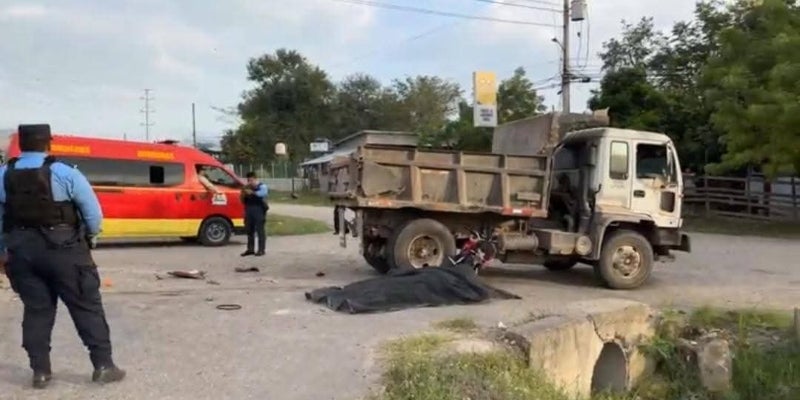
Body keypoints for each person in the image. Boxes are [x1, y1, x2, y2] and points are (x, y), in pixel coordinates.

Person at [0, 124, 125, 389]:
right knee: (86, 307)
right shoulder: (65, 172)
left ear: (21, 144)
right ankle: (103, 366)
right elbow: (93, 215)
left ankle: (40, 372)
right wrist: (91, 237)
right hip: (65, 250)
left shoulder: (3, 175)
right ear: (49, 143)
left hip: (22, 252)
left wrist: (3, 251)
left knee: (36, 311)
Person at [239, 171, 268, 257]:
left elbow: (263, 193)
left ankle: (261, 250)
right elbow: (242, 199)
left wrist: (252, 192)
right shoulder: (246, 187)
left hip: (259, 209)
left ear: (255, 179)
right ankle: (250, 249)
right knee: (249, 230)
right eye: (249, 180)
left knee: (260, 230)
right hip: (249, 209)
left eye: (252, 180)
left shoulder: (262, 186)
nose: (250, 182)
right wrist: (243, 194)